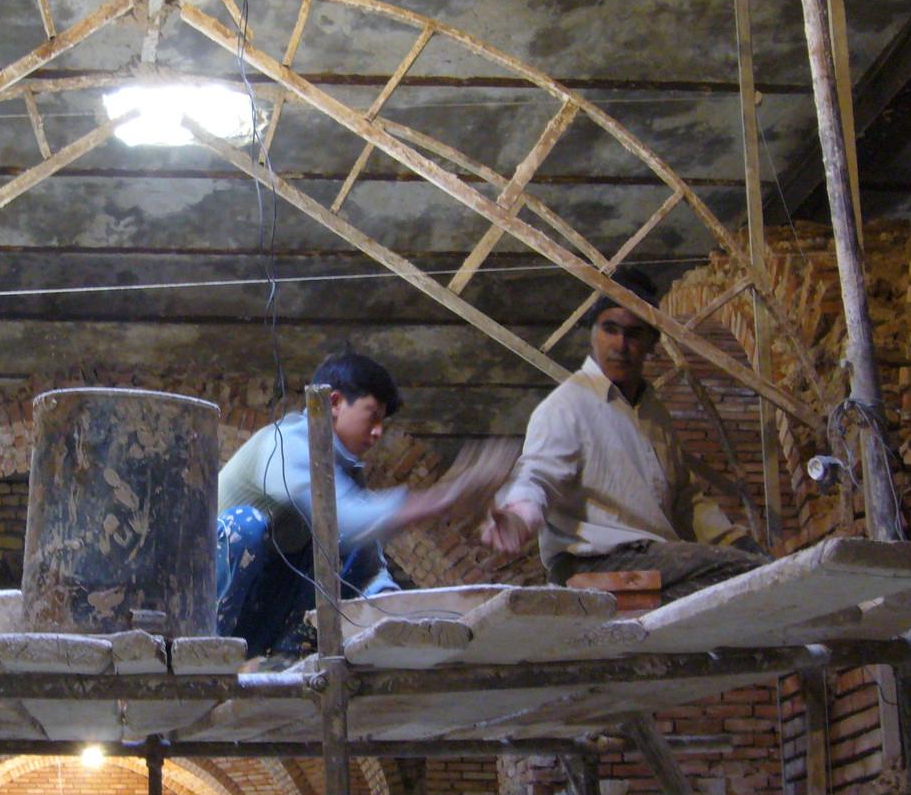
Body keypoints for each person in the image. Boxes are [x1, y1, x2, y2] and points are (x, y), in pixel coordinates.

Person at [484, 267, 767, 599]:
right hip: (593, 563)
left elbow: (686, 500)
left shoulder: (653, 413)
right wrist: (519, 515)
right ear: (593, 333)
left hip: (650, 560)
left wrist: (736, 541)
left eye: (634, 334)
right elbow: (537, 474)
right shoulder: (567, 405)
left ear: (652, 342)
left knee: (749, 583)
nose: (620, 344)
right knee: (742, 576)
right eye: (610, 329)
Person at [217, 350, 513, 658]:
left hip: (261, 614)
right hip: (211, 606)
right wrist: (448, 496)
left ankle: (284, 660)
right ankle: (211, 646)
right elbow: (351, 521)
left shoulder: (344, 472)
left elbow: (367, 563)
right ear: (334, 403)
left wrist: (398, 617)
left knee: (349, 549)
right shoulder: (284, 443)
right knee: (244, 525)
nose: (378, 432)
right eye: (372, 415)